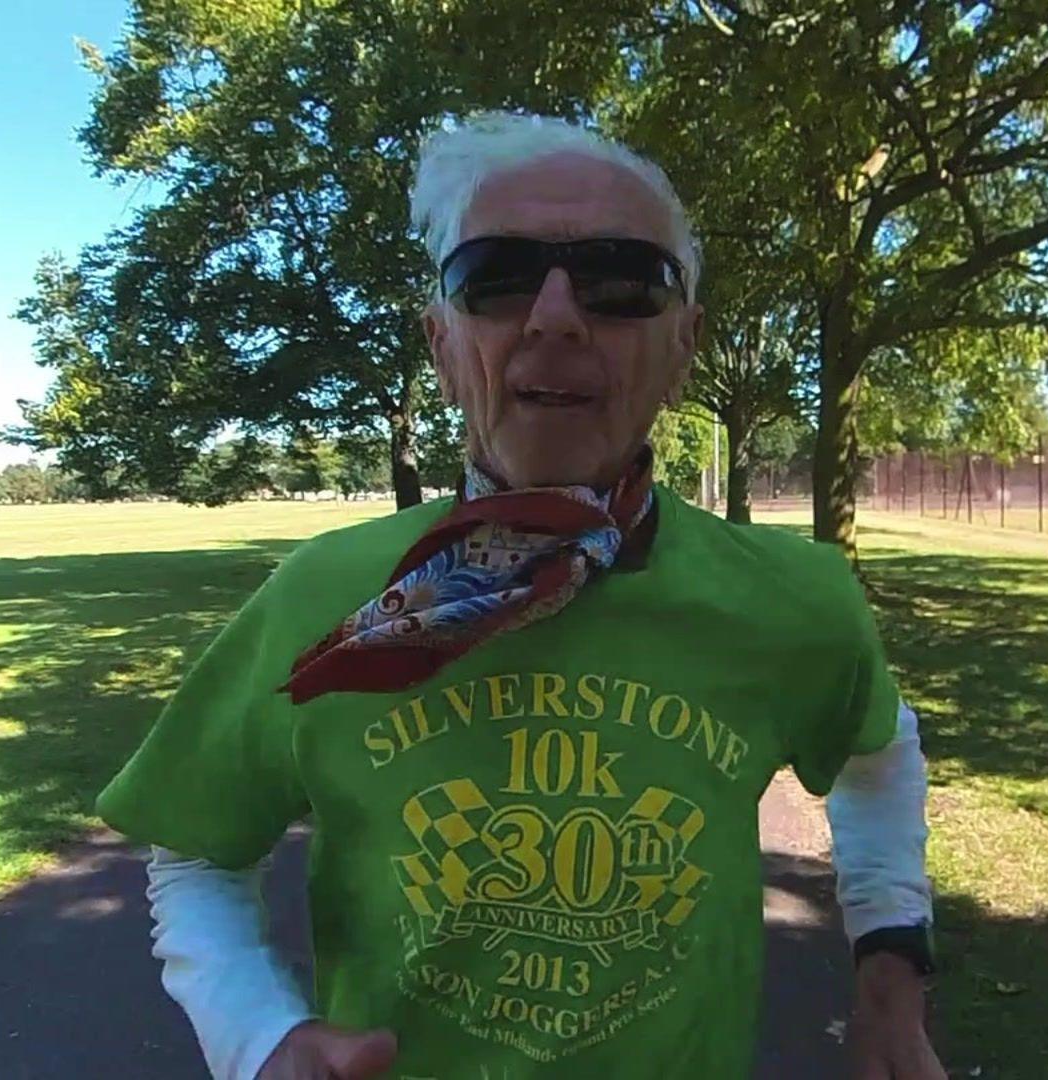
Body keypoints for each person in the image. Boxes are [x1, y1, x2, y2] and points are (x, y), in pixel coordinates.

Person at [98, 112, 942, 1080]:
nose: (552, 316)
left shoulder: (796, 601)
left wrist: (890, 981)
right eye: (495, 277)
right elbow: (197, 848)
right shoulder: (321, 603)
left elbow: (878, 750)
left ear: (685, 349)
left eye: (621, 280)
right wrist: (260, 1039)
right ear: (444, 345)